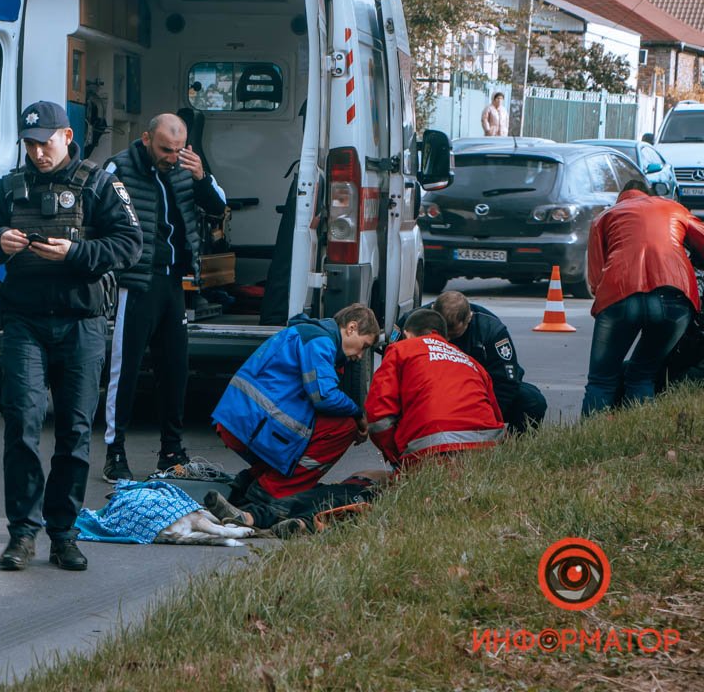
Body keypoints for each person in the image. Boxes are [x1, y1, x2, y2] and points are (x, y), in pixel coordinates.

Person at [0, 101, 142, 572]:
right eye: (30, 143)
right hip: (23, 324)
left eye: (45, 141)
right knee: (21, 427)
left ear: (66, 135)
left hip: (81, 323)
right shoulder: (10, 188)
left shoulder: (99, 182)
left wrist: (77, 252)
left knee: (75, 431)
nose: (38, 151)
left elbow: (130, 243)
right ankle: (22, 533)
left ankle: (63, 532)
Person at [100, 113, 228, 482]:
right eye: (164, 149)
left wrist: (201, 176)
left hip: (174, 282)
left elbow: (218, 206)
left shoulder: (188, 166)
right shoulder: (118, 167)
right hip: (137, 281)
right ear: (146, 139)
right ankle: (115, 452)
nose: (171, 157)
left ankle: (171, 451)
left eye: (177, 150)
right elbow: (96, 213)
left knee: (175, 369)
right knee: (124, 370)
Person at [210, 303, 379, 514]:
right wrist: (357, 413)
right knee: (345, 428)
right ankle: (275, 491)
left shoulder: (310, 334)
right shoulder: (320, 342)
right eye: (364, 346)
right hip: (249, 425)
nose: (361, 355)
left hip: (238, 422)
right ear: (351, 328)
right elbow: (324, 397)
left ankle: (253, 481)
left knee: (314, 428)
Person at [581, 179, 704, 416]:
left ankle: (589, 441)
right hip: (675, 297)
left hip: (619, 295)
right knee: (643, 374)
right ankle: (640, 438)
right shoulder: (672, 208)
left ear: (621, 198)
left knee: (601, 380)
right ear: (648, 194)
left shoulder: (604, 217)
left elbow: (595, 281)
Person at [366, 309, 505, 468]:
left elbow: (378, 414)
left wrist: (397, 458)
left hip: (430, 450)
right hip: (486, 449)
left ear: (407, 334)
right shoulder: (471, 361)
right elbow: (495, 413)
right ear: (446, 337)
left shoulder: (401, 349)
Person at [393, 291, 546, 433]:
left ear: (469, 318)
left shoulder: (491, 330)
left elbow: (506, 382)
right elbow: (391, 363)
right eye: (443, 333)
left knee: (532, 401)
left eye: (454, 334)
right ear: (433, 312)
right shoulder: (412, 323)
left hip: (476, 396)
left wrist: (487, 422)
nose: (448, 339)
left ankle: (512, 447)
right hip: (427, 394)